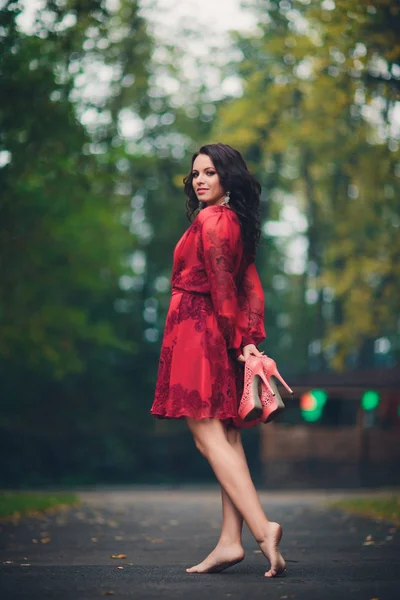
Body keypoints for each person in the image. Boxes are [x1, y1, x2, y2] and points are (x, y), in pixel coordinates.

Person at [150, 142, 286, 578]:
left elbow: (226, 286)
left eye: (209, 171)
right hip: (213, 333)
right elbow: (249, 284)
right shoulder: (231, 221)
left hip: (198, 331)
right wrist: (243, 338)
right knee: (225, 437)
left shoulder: (211, 221)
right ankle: (230, 542)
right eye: (195, 174)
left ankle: (263, 529)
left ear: (228, 177)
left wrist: (240, 338)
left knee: (207, 436)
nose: (200, 179)